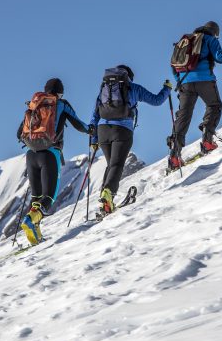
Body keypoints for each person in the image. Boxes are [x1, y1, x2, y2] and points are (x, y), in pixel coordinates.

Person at [88, 65, 172, 217]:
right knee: (117, 165)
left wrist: (93, 139)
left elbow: (94, 115)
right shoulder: (133, 88)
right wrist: (167, 89)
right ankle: (108, 194)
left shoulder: (104, 89)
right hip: (122, 130)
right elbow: (156, 100)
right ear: (129, 77)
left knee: (111, 165)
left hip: (102, 131)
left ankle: (106, 201)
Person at [16, 77, 91, 245]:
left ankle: (36, 234)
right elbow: (79, 124)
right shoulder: (61, 104)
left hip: (31, 154)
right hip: (50, 154)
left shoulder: (35, 106)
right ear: (60, 92)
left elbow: (19, 133)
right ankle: (30, 220)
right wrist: (91, 130)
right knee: (48, 197)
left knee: (36, 196)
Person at [168, 21, 222, 169]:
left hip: (184, 83)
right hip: (204, 80)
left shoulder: (185, 41)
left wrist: (179, 81)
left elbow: (173, 64)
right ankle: (207, 140)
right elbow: (219, 56)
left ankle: (174, 156)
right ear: (215, 32)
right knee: (214, 105)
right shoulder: (210, 39)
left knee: (183, 116)